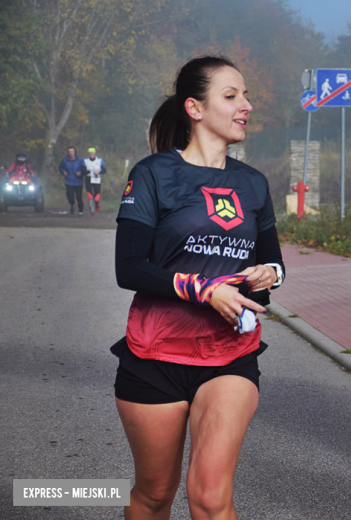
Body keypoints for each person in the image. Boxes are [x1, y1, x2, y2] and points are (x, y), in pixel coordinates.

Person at [111, 55, 285, 519]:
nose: (245, 104)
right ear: (195, 108)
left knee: (209, 496)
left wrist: (268, 275)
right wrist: (206, 290)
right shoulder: (152, 174)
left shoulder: (253, 184)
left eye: (245, 95)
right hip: (154, 357)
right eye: (231, 96)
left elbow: (271, 265)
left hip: (229, 355)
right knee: (153, 495)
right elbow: (128, 268)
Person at [59, 147, 86, 215]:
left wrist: (81, 173)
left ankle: (80, 211)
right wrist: (63, 172)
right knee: (70, 197)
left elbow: (85, 170)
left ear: (74, 152)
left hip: (78, 182)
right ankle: (72, 204)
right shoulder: (65, 160)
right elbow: (60, 167)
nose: (70, 153)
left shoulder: (80, 161)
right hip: (69, 181)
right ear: (68, 153)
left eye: (72, 151)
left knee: (79, 198)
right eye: (69, 151)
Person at [83, 147, 106, 214]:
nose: (91, 154)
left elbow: (104, 170)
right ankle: (91, 210)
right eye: (90, 153)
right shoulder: (85, 161)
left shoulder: (99, 160)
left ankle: (96, 204)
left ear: (94, 153)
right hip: (88, 178)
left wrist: (98, 172)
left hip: (97, 179)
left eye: (92, 153)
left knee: (96, 196)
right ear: (88, 154)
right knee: (89, 195)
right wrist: (87, 171)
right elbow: (82, 171)